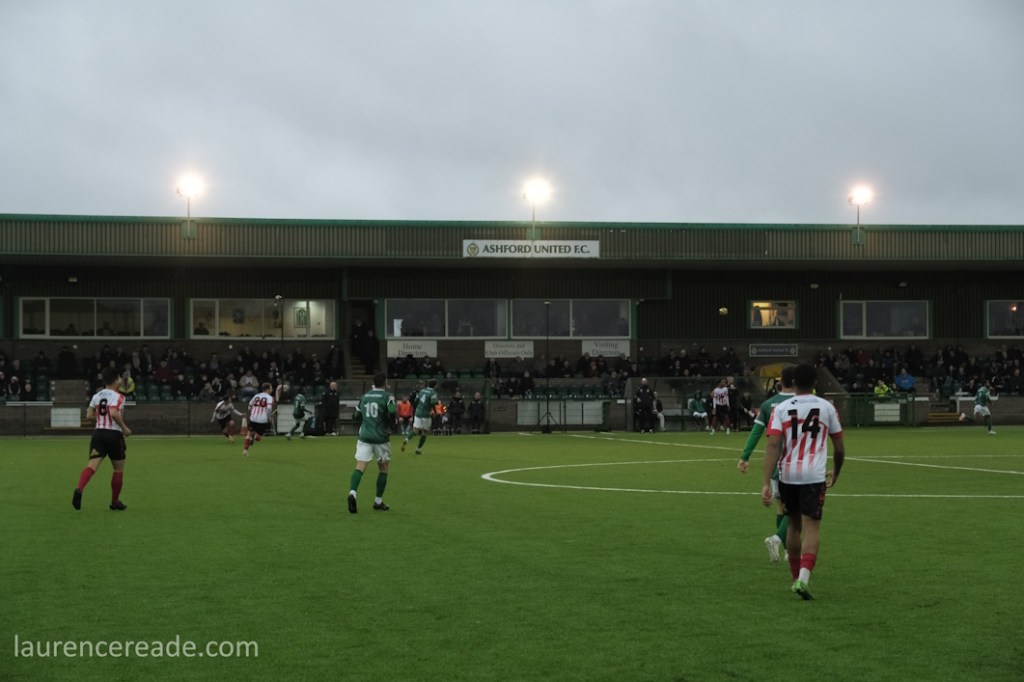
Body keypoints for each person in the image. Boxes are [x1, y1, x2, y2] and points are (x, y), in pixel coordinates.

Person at [762, 364, 845, 600]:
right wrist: (837, 472)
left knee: (793, 526)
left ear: (793, 383)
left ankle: (794, 578)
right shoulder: (827, 407)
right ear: (815, 383)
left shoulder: (781, 408)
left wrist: (766, 482)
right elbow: (839, 448)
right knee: (812, 528)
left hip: (787, 475)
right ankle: (804, 579)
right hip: (813, 476)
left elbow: (772, 444)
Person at [738, 366, 796, 564]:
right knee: (797, 510)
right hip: (796, 463)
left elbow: (756, 432)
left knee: (782, 508)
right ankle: (776, 539)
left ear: (781, 382)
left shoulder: (768, 404)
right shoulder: (803, 402)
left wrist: (745, 456)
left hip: (775, 464)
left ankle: (788, 551)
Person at [72, 366, 133, 511]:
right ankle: (114, 502)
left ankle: (79, 488)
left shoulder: (97, 396)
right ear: (116, 380)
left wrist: (101, 418)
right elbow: (114, 413)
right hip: (114, 435)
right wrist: (125, 428)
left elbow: (89, 415)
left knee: (91, 466)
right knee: (118, 469)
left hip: (98, 434)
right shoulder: (119, 397)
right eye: (119, 378)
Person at [347, 372, 396, 513]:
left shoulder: (364, 397)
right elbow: (392, 411)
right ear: (385, 382)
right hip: (381, 437)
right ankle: (378, 501)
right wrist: (391, 424)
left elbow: (356, 416)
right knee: (383, 469)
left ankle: (352, 493)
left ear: (373, 383)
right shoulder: (387, 397)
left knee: (360, 467)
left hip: (365, 436)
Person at [402, 378, 439, 454]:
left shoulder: (421, 391)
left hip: (418, 413)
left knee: (415, 430)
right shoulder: (433, 393)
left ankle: (406, 439)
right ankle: (418, 449)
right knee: (424, 432)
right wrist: (435, 410)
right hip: (426, 414)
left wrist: (418, 408)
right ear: (435, 385)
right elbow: (432, 403)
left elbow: (416, 401)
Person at [242, 382, 276, 458]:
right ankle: (254, 437)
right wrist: (268, 417)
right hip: (262, 420)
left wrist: (252, 412)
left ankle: (245, 450)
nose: (272, 389)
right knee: (258, 438)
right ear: (267, 389)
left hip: (253, 418)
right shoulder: (270, 398)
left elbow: (249, 405)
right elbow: (269, 408)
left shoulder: (256, 396)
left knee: (248, 434)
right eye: (271, 388)